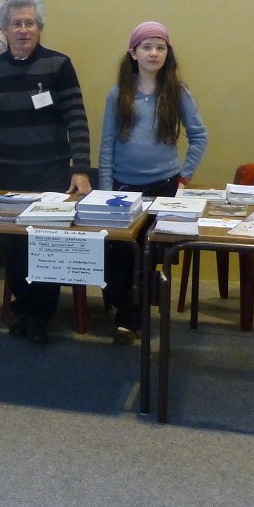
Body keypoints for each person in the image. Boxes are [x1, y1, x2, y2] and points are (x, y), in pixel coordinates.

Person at [0, 0, 92, 345]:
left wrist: (81, 169)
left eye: (29, 23)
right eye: (16, 23)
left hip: (51, 175)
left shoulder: (59, 66)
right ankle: (29, 307)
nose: (23, 30)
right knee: (14, 248)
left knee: (47, 244)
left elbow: (77, 119)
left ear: (40, 27)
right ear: (3, 28)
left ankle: (37, 315)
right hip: (9, 176)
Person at [98, 21, 208, 344]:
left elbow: (200, 136)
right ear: (133, 53)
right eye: (146, 47)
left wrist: (184, 175)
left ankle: (131, 317)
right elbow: (106, 144)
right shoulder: (118, 93)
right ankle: (128, 307)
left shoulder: (177, 91)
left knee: (149, 252)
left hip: (164, 187)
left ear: (167, 54)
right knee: (120, 252)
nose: (154, 53)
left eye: (160, 47)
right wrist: (105, 191)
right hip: (122, 188)